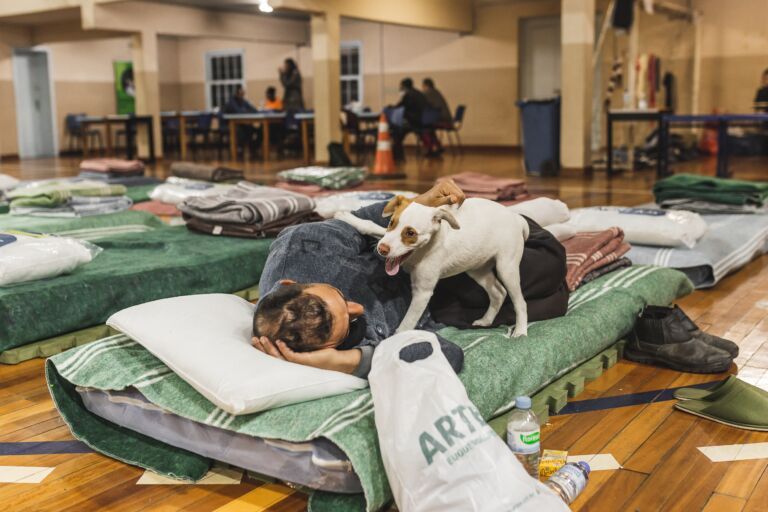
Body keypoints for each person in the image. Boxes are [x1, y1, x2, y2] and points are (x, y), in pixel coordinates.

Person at [251, 181, 569, 378]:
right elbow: (449, 355)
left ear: (289, 284)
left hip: (424, 249)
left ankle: (530, 215)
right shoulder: (331, 353)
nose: (357, 308)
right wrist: (344, 360)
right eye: (347, 327)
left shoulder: (304, 248)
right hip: (435, 302)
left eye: (339, 296)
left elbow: (372, 220)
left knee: (550, 259)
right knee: (554, 299)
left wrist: (425, 201)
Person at [388, 78, 441, 161]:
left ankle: (397, 155)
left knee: (397, 131)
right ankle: (398, 154)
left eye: (401, 86)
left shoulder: (408, 94)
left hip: (416, 122)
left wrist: (390, 108)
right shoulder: (418, 93)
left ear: (404, 86)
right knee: (400, 129)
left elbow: (401, 107)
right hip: (424, 121)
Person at [223, 86, 259, 155]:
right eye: (241, 93)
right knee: (240, 130)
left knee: (250, 128)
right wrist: (247, 111)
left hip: (241, 123)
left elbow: (254, 110)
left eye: (243, 93)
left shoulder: (243, 101)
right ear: (237, 94)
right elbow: (239, 112)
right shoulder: (232, 101)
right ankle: (239, 149)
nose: (243, 94)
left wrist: (247, 110)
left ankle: (252, 149)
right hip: (230, 124)